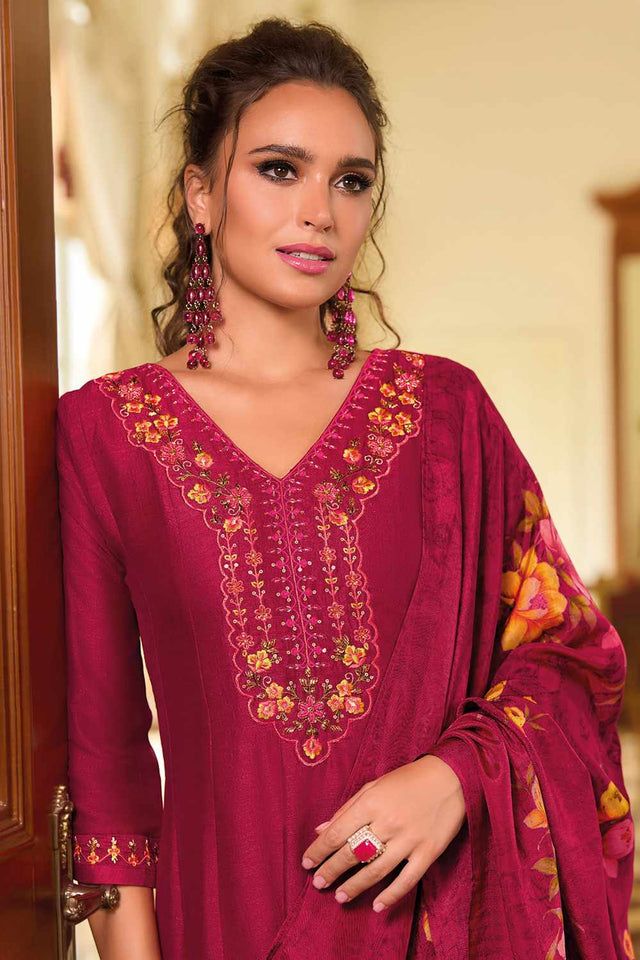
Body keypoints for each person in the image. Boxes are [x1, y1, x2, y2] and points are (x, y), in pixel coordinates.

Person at [55, 16, 634, 960]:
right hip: (228, 921)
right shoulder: (105, 432)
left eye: (351, 180)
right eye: (280, 169)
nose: (319, 210)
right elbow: (108, 761)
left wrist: (454, 778)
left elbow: (569, 653)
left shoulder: (445, 413)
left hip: (437, 922)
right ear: (201, 195)